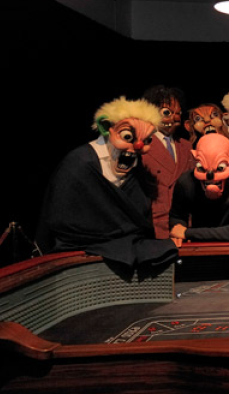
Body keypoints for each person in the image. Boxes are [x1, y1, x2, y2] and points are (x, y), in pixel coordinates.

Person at [36, 97, 176, 268]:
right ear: (105, 129)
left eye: (146, 140)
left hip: (122, 249)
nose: (138, 146)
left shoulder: (136, 166)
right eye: (127, 136)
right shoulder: (79, 164)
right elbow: (62, 220)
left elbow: (139, 215)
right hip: (80, 255)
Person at [169, 133, 229, 246]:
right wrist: (178, 230)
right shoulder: (186, 182)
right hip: (199, 248)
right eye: (202, 168)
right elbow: (176, 218)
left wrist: (187, 233)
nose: (210, 177)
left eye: (220, 168)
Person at [141, 85, 195, 239]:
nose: (174, 118)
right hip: (153, 228)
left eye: (178, 113)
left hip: (183, 228)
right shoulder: (140, 145)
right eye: (167, 112)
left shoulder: (186, 146)